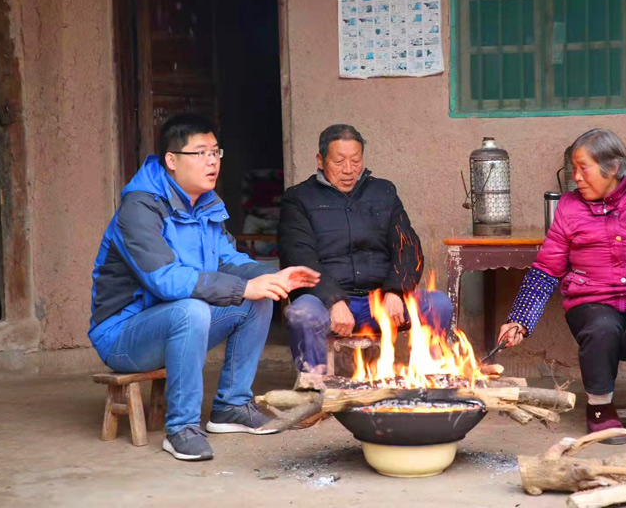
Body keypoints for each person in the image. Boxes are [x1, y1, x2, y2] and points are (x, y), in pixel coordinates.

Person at [88, 113, 319, 461]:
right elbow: (166, 280)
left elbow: (229, 260)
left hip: (174, 321)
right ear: (171, 160)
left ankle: (231, 406)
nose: (212, 161)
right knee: (193, 309)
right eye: (200, 153)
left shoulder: (206, 204)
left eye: (215, 152)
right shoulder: (139, 209)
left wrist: (273, 276)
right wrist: (242, 288)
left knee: (259, 300)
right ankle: (181, 427)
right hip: (123, 335)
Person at [499, 128, 626, 444]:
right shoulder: (569, 207)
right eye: (573, 169)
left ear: (613, 167)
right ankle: (599, 407)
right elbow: (546, 269)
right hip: (592, 300)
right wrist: (520, 320)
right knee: (601, 328)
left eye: (584, 168)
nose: (576, 177)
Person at [279, 124, 453, 373]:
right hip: (326, 304)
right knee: (302, 313)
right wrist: (333, 300)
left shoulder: (384, 192)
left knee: (439, 304)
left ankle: (432, 378)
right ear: (320, 160)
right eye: (339, 161)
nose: (348, 170)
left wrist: (396, 291)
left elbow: (407, 247)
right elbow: (299, 256)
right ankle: (313, 386)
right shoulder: (298, 198)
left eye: (355, 160)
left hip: (380, 300)